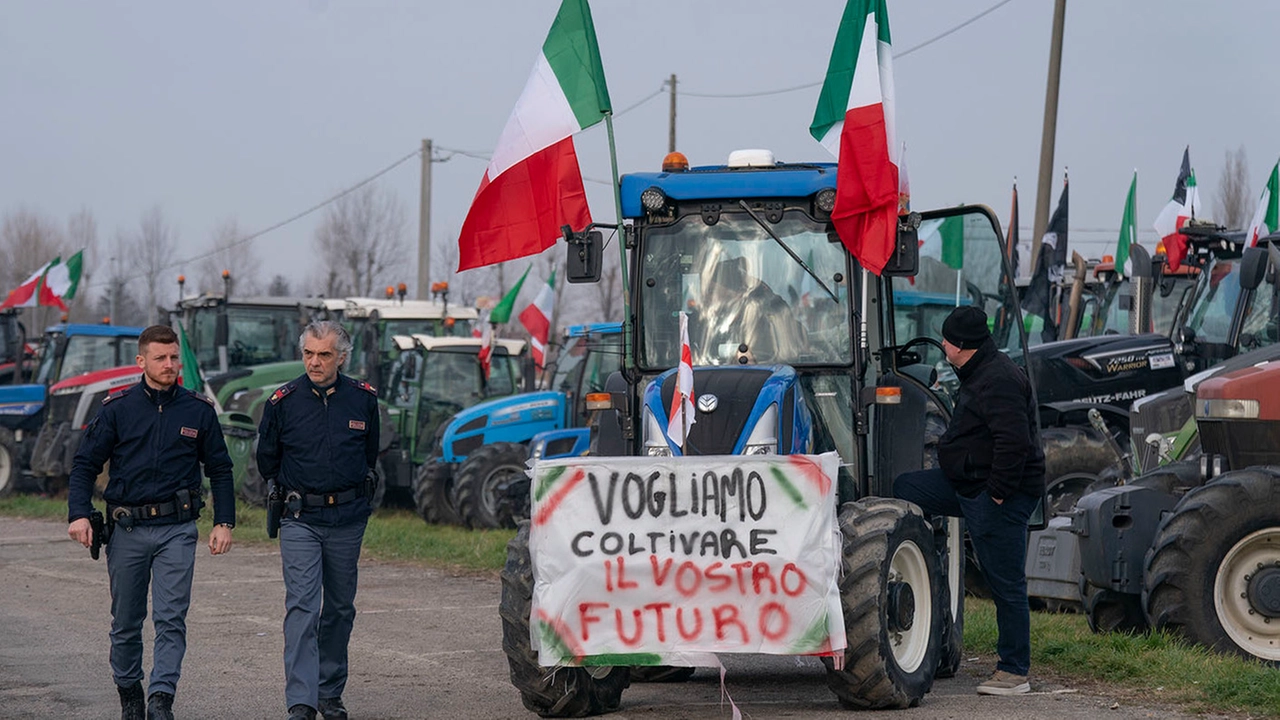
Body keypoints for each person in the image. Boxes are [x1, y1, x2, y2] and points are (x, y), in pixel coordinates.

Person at [67, 324, 236, 720]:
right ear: (141, 361)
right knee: (126, 620)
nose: (170, 365)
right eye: (160, 358)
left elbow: (221, 470)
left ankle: (161, 698)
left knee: (171, 617)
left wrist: (223, 521)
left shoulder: (197, 410)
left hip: (177, 530)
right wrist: (78, 513)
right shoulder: (117, 409)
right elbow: (84, 465)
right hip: (127, 530)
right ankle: (130, 693)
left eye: (174, 357)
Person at [893, 305, 1044, 696]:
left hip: (996, 495)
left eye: (946, 340)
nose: (941, 344)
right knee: (905, 488)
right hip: (967, 485)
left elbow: (1015, 443)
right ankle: (920, 560)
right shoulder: (978, 371)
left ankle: (1014, 671)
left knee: (1005, 582)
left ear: (962, 346)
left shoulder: (1000, 380)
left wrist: (996, 492)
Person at [257, 320, 380, 720]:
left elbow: (369, 455)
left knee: (340, 609)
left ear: (341, 357)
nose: (315, 362)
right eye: (309, 353)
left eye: (324, 354)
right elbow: (267, 460)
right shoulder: (283, 401)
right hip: (300, 518)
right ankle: (302, 702)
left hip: (347, 519)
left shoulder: (362, 400)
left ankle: (329, 692)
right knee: (303, 608)